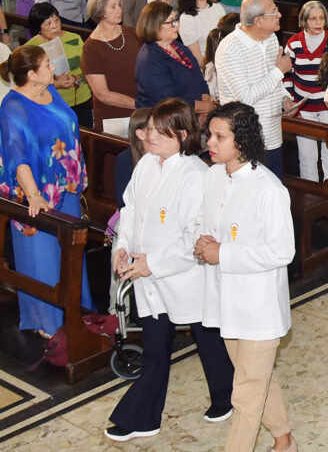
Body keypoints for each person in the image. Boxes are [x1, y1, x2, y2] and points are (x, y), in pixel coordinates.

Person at [105, 99, 233, 442]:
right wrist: (123, 247)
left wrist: (153, 263)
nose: (149, 137)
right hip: (149, 278)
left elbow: (196, 236)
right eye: (149, 130)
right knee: (156, 347)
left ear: (181, 133)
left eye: (159, 131)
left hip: (184, 276)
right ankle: (144, 417)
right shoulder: (147, 164)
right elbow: (131, 210)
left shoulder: (195, 175)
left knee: (208, 337)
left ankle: (227, 396)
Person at [195, 102, 297, 452]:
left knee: (246, 393)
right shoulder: (212, 176)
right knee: (254, 379)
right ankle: (283, 439)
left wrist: (223, 253)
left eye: (219, 136)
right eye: (210, 134)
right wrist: (201, 240)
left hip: (258, 306)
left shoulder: (268, 189)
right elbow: (202, 221)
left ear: (241, 142)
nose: (210, 142)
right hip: (226, 302)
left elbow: (282, 252)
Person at [0, 45, 93, 337]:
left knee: (70, 255)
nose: (53, 68)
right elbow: (18, 157)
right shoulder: (12, 107)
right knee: (42, 258)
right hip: (36, 193)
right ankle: (48, 323)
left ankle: (78, 314)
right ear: (32, 75)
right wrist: (33, 195)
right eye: (47, 65)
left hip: (66, 186)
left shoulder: (50, 93)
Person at [214, 0, 290, 179]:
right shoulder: (231, 48)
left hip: (272, 132)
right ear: (258, 21)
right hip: (245, 138)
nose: (279, 15)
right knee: (249, 197)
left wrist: (285, 98)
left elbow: (272, 80)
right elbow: (245, 97)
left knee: (273, 191)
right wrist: (279, 71)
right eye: (274, 12)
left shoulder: (271, 38)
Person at [282, 1, 328, 183]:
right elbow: (287, 75)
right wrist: (288, 99)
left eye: (321, 18)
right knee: (307, 159)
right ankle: (312, 195)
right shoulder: (294, 43)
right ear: (304, 20)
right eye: (313, 19)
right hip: (303, 109)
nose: (318, 23)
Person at [134, 0, 213, 113]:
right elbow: (170, 101)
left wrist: (205, 111)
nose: (177, 25)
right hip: (164, 120)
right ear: (155, 25)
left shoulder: (177, 46)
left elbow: (200, 80)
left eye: (176, 19)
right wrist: (206, 107)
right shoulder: (149, 59)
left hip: (192, 113)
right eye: (171, 22)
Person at [25, 2, 92, 126]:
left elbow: (90, 70)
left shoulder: (74, 38)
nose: (55, 26)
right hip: (51, 102)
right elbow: (28, 84)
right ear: (38, 27)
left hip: (82, 99)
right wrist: (56, 84)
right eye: (48, 23)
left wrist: (76, 79)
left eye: (57, 20)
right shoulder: (30, 48)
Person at [82, 0, 140, 130]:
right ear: (100, 11)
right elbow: (103, 94)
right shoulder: (91, 48)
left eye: (119, 5)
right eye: (113, 7)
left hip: (142, 109)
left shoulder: (131, 33)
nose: (119, 10)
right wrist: (138, 103)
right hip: (114, 116)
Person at [177, 0, 227, 67]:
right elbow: (198, 59)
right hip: (207, 67)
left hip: (225, 59)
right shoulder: (187, 19)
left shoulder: (217, 8)